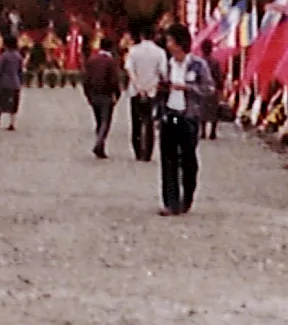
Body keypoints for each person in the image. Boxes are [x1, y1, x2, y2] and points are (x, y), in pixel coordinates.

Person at [157, 24, 215, 215]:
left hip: (188, 117)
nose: (167, 44)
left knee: (188, 159)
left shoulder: (198, 65)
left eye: (170, 40)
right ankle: (170, 202)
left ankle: (187, 197)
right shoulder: (167, 64)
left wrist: (187, 88)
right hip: (169, 115)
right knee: (168, 160)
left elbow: (209, 88)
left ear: (180, 43)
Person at [123, 27, 169, 164]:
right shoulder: (160, 52)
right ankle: (147, 152)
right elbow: (163, 73)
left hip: (136, 90)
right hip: (152, 90)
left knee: (135, 122)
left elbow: (129, 69)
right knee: (149, 121)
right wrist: (152, 86)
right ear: (154, 37)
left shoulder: (134, 50)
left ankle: (138, 151)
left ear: (141, 36)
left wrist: (137, 85)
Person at [80, 36, 126, 159]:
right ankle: (99, 143)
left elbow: (85, 79)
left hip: (94, 94)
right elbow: (114, 80)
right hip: (106, 95)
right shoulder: (111, 62)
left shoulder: (91, 60)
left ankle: (100, 146)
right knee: (105, 122)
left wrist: (87, 95)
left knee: (99, 121)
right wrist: (117, 94)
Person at [0, 35, 26, 130]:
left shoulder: (4, 56)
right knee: (13, 104)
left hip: (3, 83)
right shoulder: (18, 56)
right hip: (15, 83)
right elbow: (20, 70)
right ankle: (12, 123)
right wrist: (21, 81)